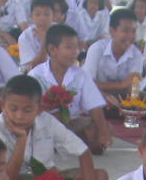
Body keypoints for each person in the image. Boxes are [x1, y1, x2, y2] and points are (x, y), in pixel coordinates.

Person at [0, 74, 106, 180]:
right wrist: (21, 140)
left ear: (39, 109)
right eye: (13, 109)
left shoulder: (47, 121)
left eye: (27, 110)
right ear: (3, 106)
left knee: (100, 177)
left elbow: (83, 151)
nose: (19, 116)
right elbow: (9, 178)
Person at [27, 23, 112, 155]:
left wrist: (103, 133)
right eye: (69, 47)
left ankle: (66, 143)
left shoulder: (81, 74)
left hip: (72, 122)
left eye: (76, 47)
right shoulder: (36, 75)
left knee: (104, 128)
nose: (75, 52)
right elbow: (30, 110)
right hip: (45, 124)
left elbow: (95, 106)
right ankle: (65, 143)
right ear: (53, 49)